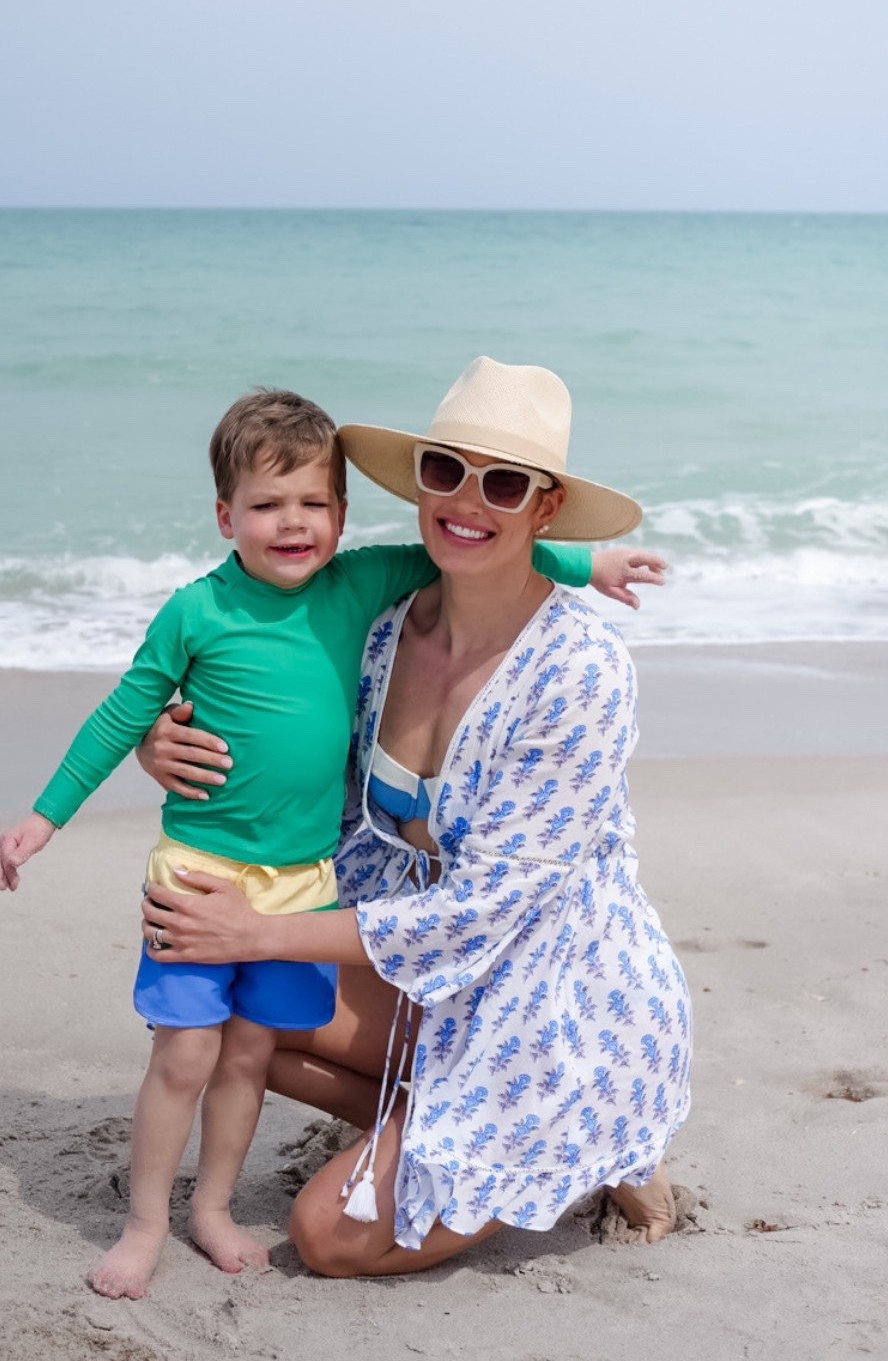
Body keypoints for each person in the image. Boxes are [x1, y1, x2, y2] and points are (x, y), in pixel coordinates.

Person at [0, 386, 642, 1300]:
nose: (292, 524)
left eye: (505, 483)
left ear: (342, 513)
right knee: (202, 1046)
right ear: (226, 516)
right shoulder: (283, 613)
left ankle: (555, 1130)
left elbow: (465, 554)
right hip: (267, 893)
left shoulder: (451, 623)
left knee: (283, 1124)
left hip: (462, 956)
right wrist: (106, 775)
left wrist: (590, 566)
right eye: (447, 470)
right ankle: (159, 1218)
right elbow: (157, 706)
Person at [139, 356, 691, 1279]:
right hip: (428, 979)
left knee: (324, 1236)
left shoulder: (580, 672)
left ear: (544, 510)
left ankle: (586, 1138)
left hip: (545, 994)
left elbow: (488, 909)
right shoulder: (385, 623)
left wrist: (264, 926)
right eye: (447, 472)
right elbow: (281, 725)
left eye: (504, 483)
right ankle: (437, 1126)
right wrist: (168, 742)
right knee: (236, 1010)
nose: (467, 502)